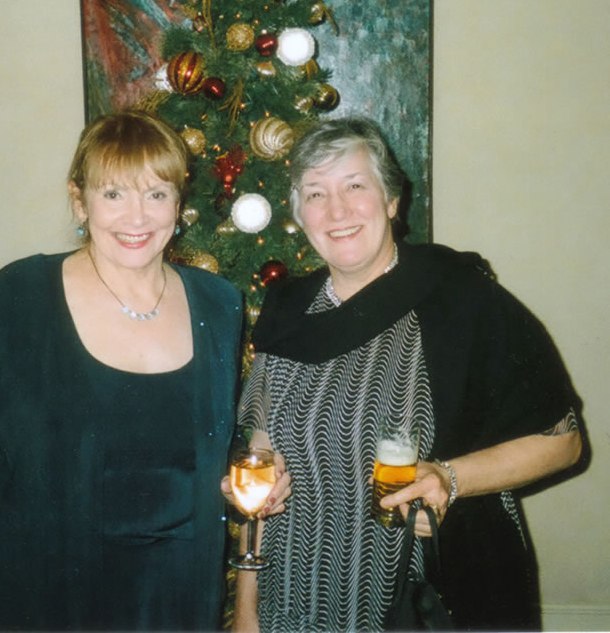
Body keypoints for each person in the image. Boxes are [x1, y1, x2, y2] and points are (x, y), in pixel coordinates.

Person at [0, 110, 288, 632]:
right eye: (113, 194)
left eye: (156, 194)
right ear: (80, 201)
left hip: (175, 601)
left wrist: (239, 481)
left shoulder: (218, 303)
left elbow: (201, 444)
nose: (137, 217)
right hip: (46, 599)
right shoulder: (20, 296)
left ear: (178, 204)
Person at [232, 117, 584, 633]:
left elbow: (563, 440)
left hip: (416, 604)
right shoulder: (286, 313)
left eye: (355, 186)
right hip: (291, 604)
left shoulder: (462, 300)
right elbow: (262, 474)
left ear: (392, 201)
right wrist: (247, 608)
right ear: (300, 214)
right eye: (316, 194)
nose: (337, 210)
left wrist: (450, 478)